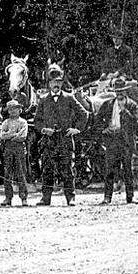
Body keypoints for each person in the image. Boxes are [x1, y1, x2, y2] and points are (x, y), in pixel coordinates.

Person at [34, 66, 88, 206]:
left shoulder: (69, 98)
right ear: (49, 83)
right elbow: (37, 121)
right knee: (47, 170)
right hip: (49, 141)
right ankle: (46, 198)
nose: (55, 84)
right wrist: (44, 129)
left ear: (62, 82)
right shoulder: (44, 100)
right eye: (53, 82)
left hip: (64, 139)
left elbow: (84, 114)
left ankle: (70, 197)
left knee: (67, 170)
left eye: (58, 81)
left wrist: (77, 129)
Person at [93, 77, 138, 204]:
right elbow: (97, 120)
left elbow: (134, 123)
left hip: (125, 142)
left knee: (128, 169)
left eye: (122, 91)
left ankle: (130, 197)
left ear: (126, 91)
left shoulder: (132, 105)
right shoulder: (107, 104)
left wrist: (124, 110)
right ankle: (107, 197)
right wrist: (103, 129)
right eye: (117, 91)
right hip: (112, 140)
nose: (119, 93)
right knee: (110, 170)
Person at [0, 99, 30, 206]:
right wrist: (13, 135)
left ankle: (24, 198)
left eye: (16, 109)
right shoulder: (5, 122)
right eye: (11, 109)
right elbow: (2, 135)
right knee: (7, 174)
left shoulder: (23, 122)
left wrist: (10, 135)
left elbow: (22, 136)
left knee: (21, 173)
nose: (13, 111)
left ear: (20, 110)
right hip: (8, 149)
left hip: (19, 149)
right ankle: (8, 197)